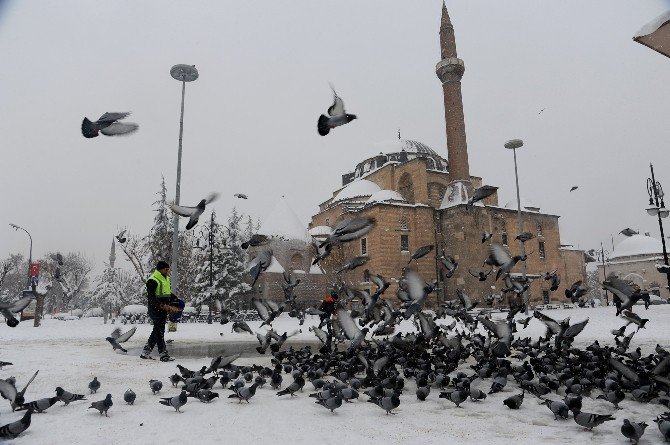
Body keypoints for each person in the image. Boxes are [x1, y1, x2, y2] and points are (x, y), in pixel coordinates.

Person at [141, 261, 180, 361]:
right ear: (161, 269)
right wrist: (161, 305)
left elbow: (165, 293)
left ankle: (146, 352)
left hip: (163, 309)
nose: (168, 271)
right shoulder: (153, 280)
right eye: (166, 269)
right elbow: (151, 297)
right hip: (155, 309)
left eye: (168, 269)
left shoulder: (165, 278)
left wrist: (174, 298)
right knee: (159, 331)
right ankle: (163, 354)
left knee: (157, 331)